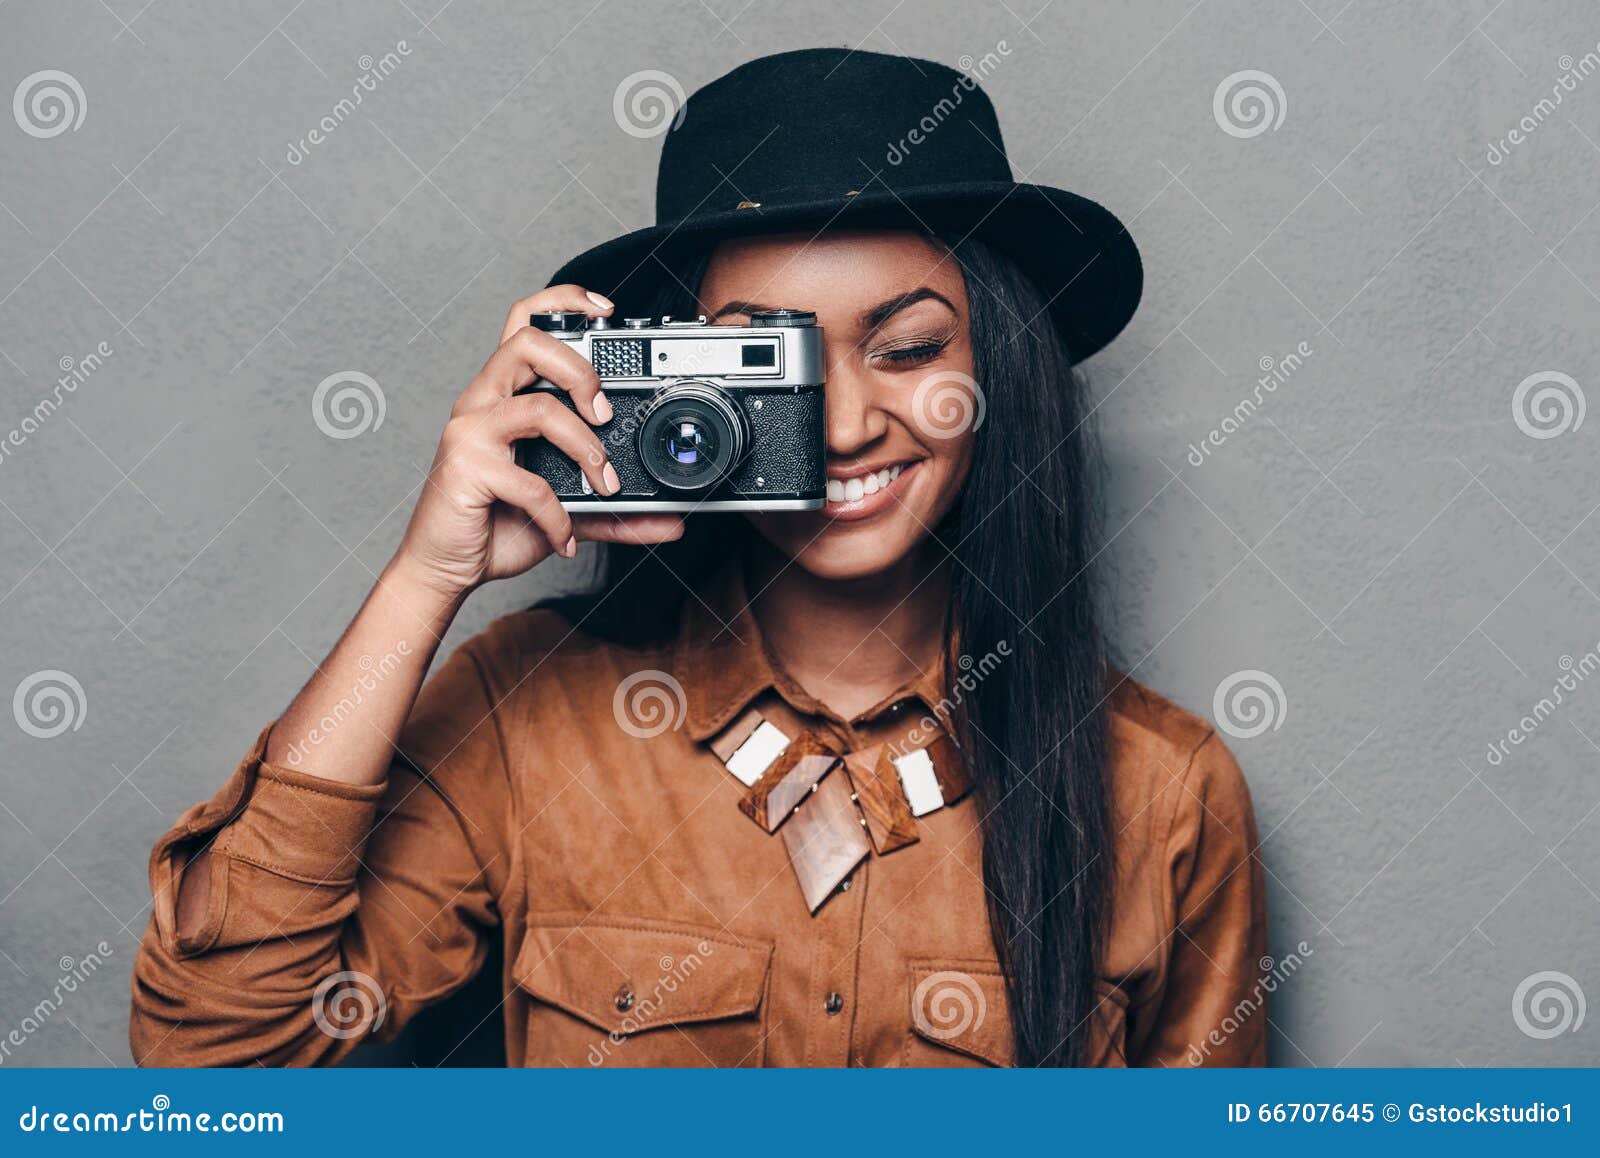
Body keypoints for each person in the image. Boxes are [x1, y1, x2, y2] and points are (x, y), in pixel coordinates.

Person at [130, 48, 1266, 1068]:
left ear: (999, 371)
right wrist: (427, 577)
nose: (841, 427)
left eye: (908, 347)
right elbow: (215, 1057)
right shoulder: (529, 720)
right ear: (668, 390)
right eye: (766, 368)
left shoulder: (1161, 791)